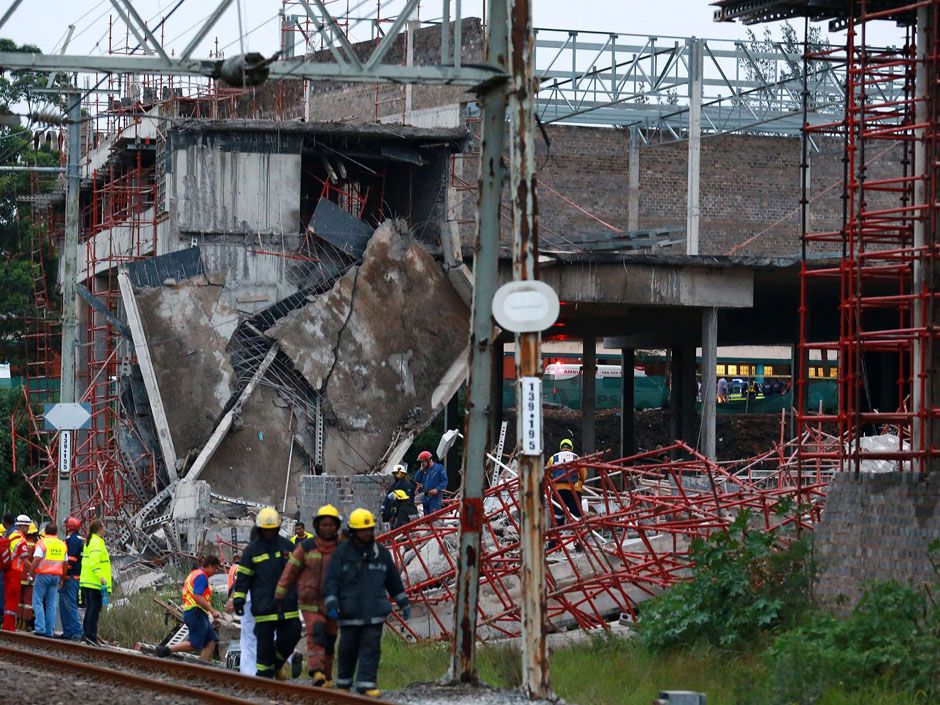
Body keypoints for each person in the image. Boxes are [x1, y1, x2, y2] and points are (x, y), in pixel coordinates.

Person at [324, 508, 410, 697]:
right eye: (363, 530)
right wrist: (331, 603)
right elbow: (331, 581)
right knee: (348, 649)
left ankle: (366, 683)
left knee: (371, 649)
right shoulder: (341, 555)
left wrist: (403, 602)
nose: (368, 533)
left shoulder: (380, 553)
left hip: (374, 612)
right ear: (353, 532)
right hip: (349, 613)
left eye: (370, 529)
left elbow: (393, 580)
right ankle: (344, 684)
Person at [231, 507, 302, 679]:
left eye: (272, 530)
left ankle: (278, 663)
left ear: (277, 528)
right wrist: (238, 600)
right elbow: (243, 578)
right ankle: (264, 683)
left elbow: (300, 573)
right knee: (263, 650)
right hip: (263, 608)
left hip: (287, 606)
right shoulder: (251, 551)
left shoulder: (288, 547)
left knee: (292, 635)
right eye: (266, 530)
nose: (269, 533)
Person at [276, 504, 341, 687]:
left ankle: (327, 677)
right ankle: (316, 671)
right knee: (317, 631)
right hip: (309, 600)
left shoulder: (341, 549)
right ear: (317, 525)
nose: (327, 528)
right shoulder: (305, 547)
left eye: (331, 525)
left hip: (332, 602)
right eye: (324, 524)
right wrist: (280, 594)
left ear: (336, 526)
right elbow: (290, 571)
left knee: (330, 637)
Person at [156, 555, 222, 661]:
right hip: (196, 612)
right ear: (209, 565)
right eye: (215, 568)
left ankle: (203, 668)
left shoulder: (194, 574)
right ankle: (167, 650)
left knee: (211, 641)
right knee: (195, 644)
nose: (215, 571)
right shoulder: (202, 576)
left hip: (196, 612)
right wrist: (213, 611)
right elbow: (197, 596)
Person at [226, 529, 258, 676]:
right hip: (270, 601)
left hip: (248, 600)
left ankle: (250, 675)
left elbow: (240, 581)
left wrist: (232, 599)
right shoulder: (278, 551)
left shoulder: (249, 555)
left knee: (248, 639)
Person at [29, 523, 66, 637]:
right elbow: (65, 563)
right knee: (51, 604)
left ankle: (40, 628)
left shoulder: (42, 543)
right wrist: (62, 578)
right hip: (55, 576)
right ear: (56, 532)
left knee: (38, 601)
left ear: (45, 532)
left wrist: (30, 573)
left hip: (43, 575)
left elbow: (36, 559)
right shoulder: (62, 544)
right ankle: (50, 631)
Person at [79, 519, 112, 646]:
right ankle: (91, 636)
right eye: (103, 527)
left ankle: (86, 635)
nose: (104, 529)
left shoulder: (90, 541)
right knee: (94, 609)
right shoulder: (96, 542)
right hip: (95, 582)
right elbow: (94, 562)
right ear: (99, 529)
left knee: (90, 609)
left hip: (88, 581)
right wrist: (101, 577)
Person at [547, 438, 585, 526]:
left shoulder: (553, 458)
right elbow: (583, 473)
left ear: (561, 447)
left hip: (558, 490)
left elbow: (547, 473)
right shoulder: (576, 457)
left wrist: (552, 482)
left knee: (557, 515)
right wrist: (580, 483)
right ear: (571, 447)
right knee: (576, 515)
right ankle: (577, 535)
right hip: (574, 490)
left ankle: (556, 536)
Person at [3, 515, 30, 631]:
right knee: (13, 599)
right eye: (27, 526)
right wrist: (36, 570)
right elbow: (25, 560)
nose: (28, 529)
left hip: (7, 569)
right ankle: (9, 626)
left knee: (9, 598)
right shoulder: (20, 539)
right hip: (15, 571)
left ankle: (7, 624)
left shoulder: (11, 535)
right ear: (22, 525)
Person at [59, 517, 84, 641]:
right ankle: (68, 632)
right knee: (63, 605)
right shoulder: (76, 540)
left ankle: (77, 633)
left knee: (70, 605)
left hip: (70, 577)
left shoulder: (73, 541)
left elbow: (70, 561)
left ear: (69, 527)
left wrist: (62, 577)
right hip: (70, 577)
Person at [413, 451, 447, 515]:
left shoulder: (439, 468)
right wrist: (420, 470)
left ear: (428, 460)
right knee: (426, 519)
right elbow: (416, 480)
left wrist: (437, 489)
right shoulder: (423, 470)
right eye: (421, 462)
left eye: (423, 461)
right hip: (425, 497)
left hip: (435, 498)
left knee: (434, 517)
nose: (422, 463)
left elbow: (444, 481)